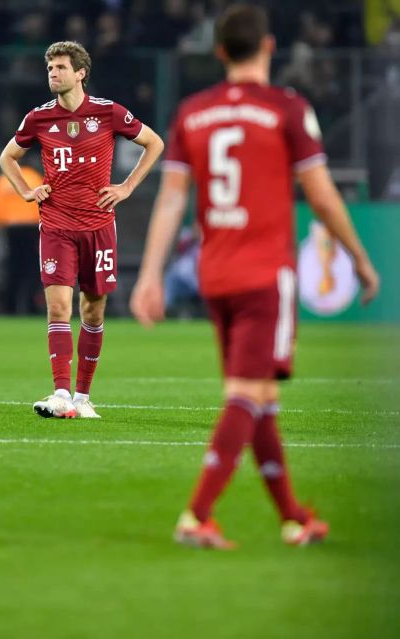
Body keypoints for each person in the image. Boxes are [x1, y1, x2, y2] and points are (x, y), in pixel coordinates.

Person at [129, 4, 381, 549]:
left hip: (214, 275)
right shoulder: (287, 108)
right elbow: (320, 192)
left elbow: (172, 199)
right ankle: (196, 515)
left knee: (260, 396)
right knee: (248, 394)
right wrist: (357, 256)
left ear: (219, 52)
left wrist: (150, 274)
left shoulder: (193, 112)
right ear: (269, 47)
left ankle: (293, 517)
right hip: (266, 275)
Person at [0, 40, 165, 419]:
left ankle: (83, 397)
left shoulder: (108, 113)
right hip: (56, 224)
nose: (53, 74)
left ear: (80, 73)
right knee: (58, 306)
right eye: (50, 68)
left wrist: (126, 187)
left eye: (59, 67)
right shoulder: (38, 118)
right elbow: (7, 156)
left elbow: (154, 143)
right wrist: (26, 190)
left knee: (92, 311)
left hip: (99, 225)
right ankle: (59, 393)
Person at [0, 162, 42, 314]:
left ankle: (9, 307)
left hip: (11, 229)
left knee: (12, 267)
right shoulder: (35, 178)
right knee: (32, 267)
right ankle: (31, 306)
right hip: (32, 228)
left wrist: (3, 223)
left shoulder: (2, 180)